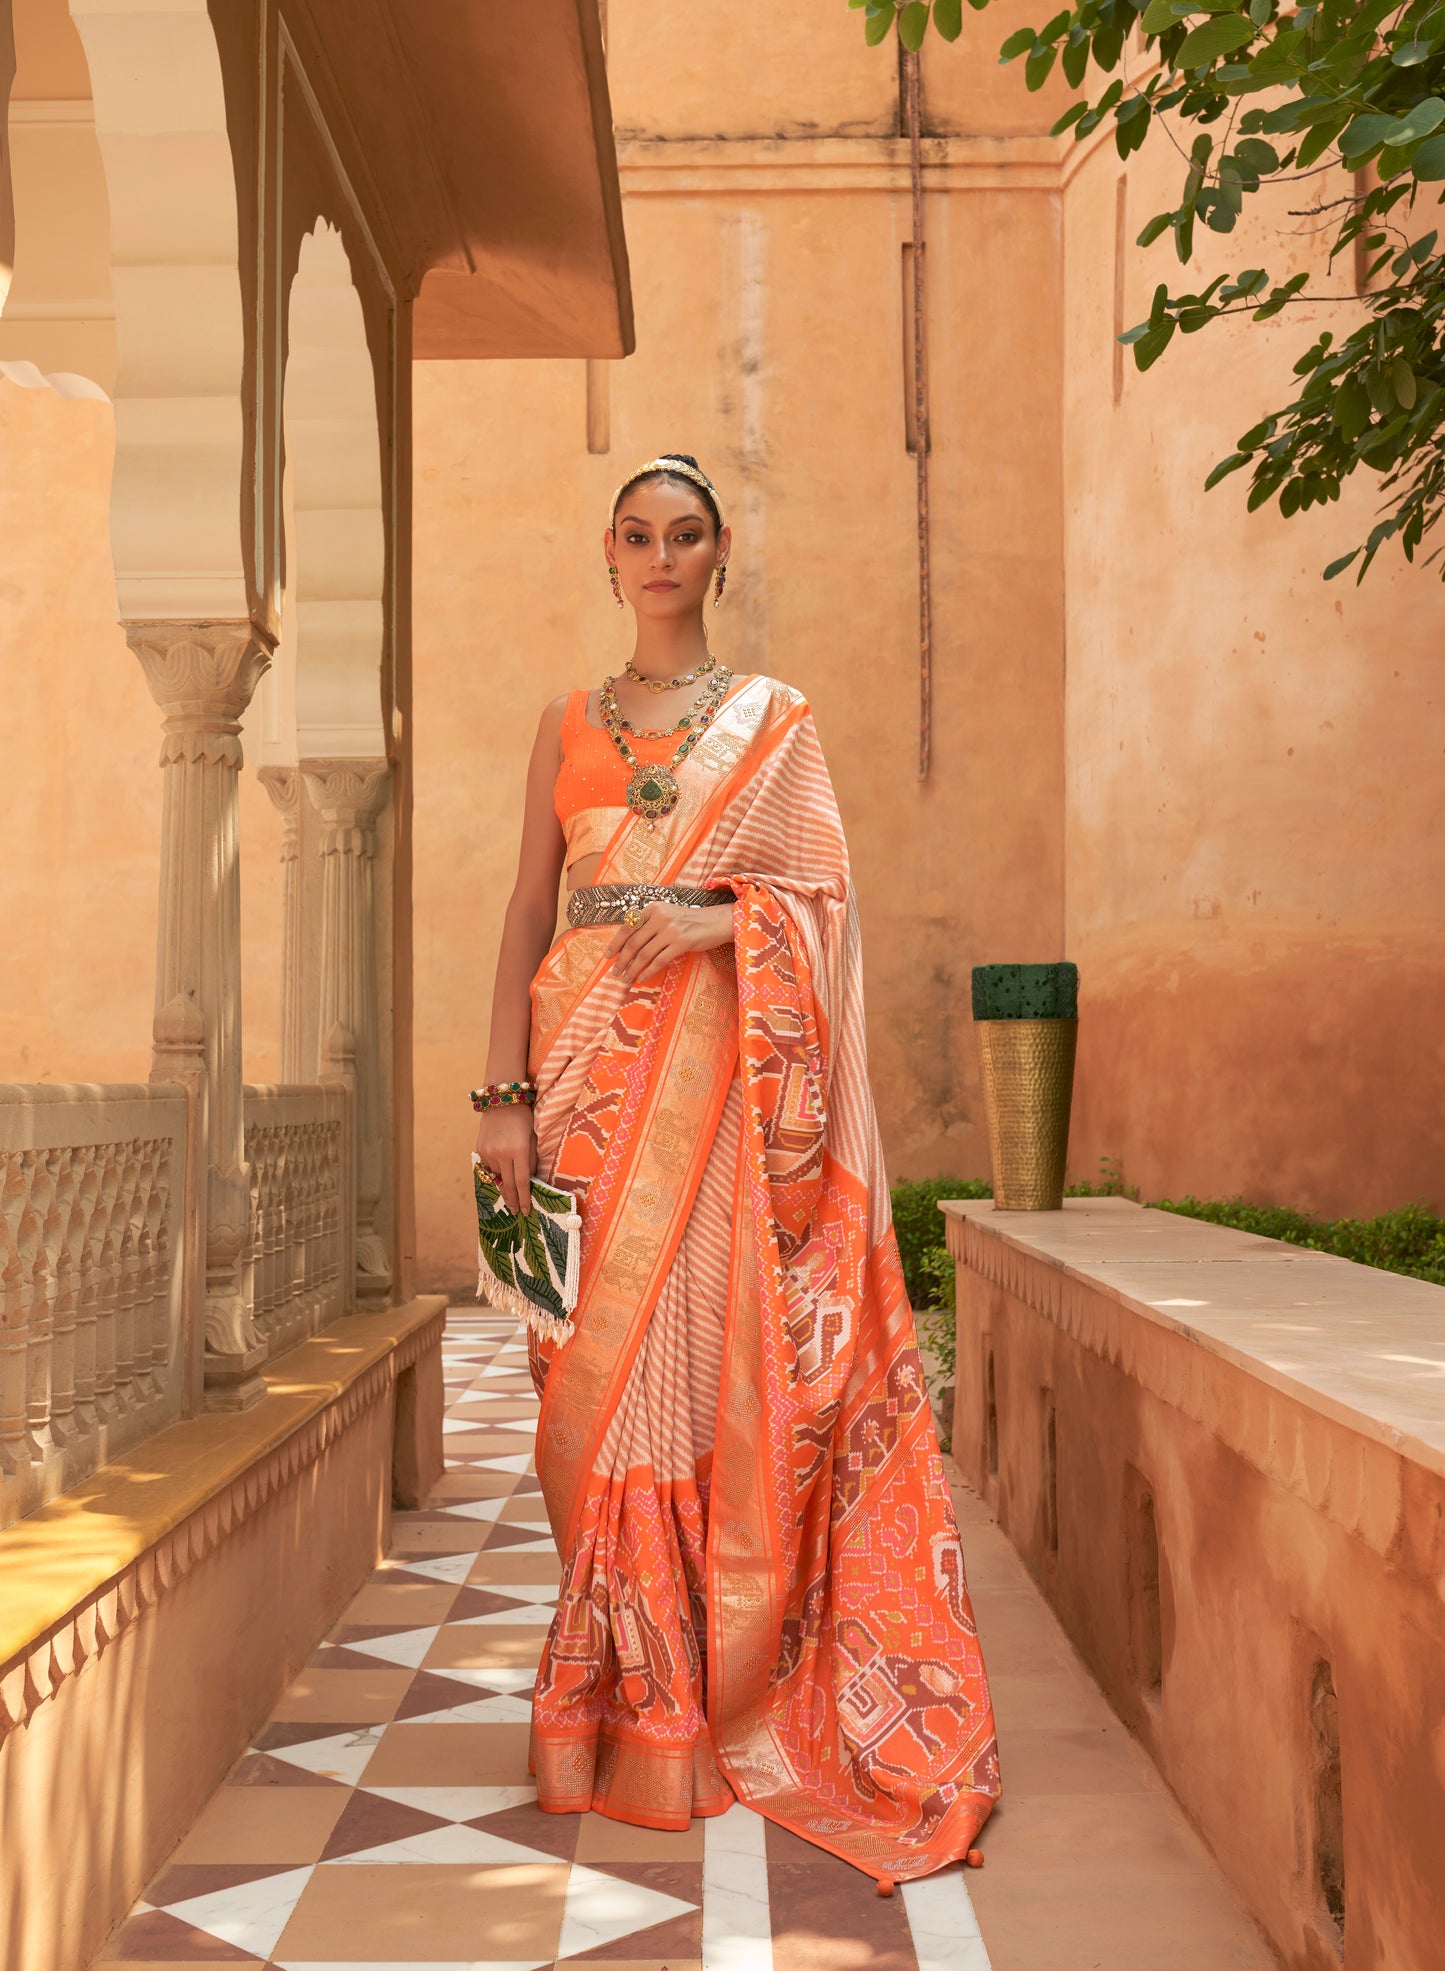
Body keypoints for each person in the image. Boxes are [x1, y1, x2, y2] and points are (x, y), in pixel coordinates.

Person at [472, 453, 999, 1891]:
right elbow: (530, 901)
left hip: (711, 1076)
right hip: (575, 1074)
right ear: (607, 552)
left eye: (685, 535)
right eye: (637, 535)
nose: (660, 556)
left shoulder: (773, 724)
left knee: (699, 1368)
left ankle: (695, 1698)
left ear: (715, 556)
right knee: (580, 1375)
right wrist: (500, 1096)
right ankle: (606, 1698)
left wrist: (722, 927)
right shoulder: (561, 722)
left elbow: (820, 899)